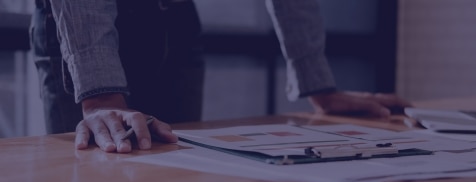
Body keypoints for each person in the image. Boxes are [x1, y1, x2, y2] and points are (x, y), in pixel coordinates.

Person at [31, 0, 411, 153]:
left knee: (176, 173)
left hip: (176, 19)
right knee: (99, 167)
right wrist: (100, 95)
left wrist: (319, 82)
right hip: (81, 23)